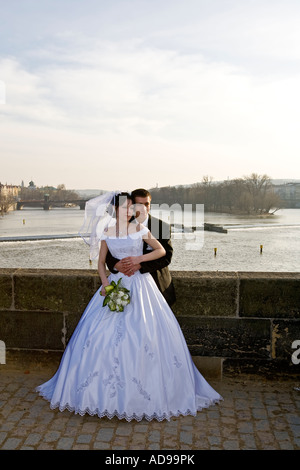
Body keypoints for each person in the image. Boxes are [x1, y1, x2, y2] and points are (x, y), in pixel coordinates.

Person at [36, 191, 222, 422]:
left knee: (148, 337)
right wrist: (109, 281)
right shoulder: (108, 230)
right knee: (100, 337)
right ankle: (98, 395)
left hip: (146, 287)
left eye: (137, 206)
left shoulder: (153, 227)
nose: (133, 210)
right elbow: (103, 261)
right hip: (116, 283)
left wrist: (138, 263)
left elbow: (165, 254)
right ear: (116, 209)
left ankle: (152, 393)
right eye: (129, 206)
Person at [106, 188, 176, 306]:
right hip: (124, 280)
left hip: (157, 282)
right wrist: (116, 264)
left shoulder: (162, 227)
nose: (144, 207)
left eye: (147, 204)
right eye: (139, 204)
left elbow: (167, 257)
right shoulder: (123, 222)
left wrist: (140, 265)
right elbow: (109, 250)